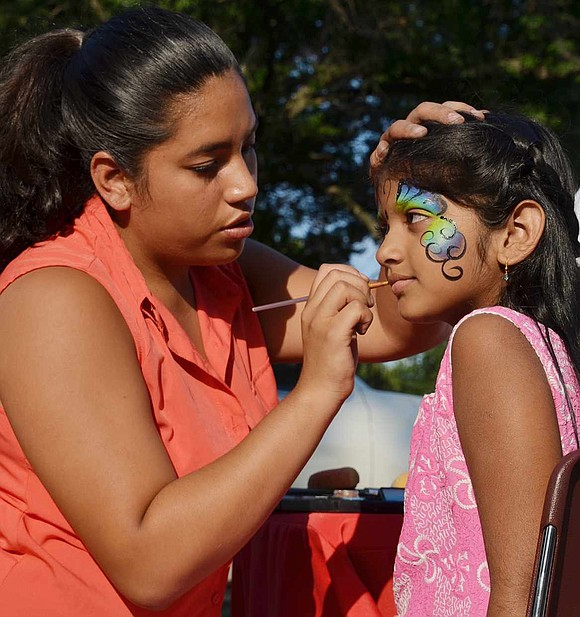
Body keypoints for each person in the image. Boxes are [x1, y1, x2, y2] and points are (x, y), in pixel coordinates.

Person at [0, 7, 460, 616]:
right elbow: (148, 562)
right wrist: (318, 391)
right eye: (207, 164)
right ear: (113, 179)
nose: (246, 184)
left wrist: (413, 195)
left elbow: (405, 322)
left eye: (249, 147)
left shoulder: (224, 274)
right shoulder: (53, 298)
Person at [372, 109, 580, 616]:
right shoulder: (532, 344)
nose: (384, 252)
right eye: (386, 225)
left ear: (515, 233)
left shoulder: (487, 339)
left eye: (416, 216)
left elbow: (523, 597)